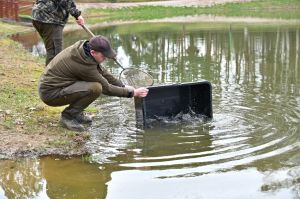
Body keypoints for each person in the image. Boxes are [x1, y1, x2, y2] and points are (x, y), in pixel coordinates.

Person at [38, 35, 149, 132]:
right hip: (51, 94)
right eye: (103, 56)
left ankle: (77, 112)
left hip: (61, 86)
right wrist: (132, 93)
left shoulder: (84, 52)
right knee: (95, 88)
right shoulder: (84, 65)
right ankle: (68, 116)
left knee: (94, 85)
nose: (105, 59)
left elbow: (103, 72)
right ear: (93, 52)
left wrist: (122, 85)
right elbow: (107, 89)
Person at [32, 0, 85, 66]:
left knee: (51, 49)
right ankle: (50, 75)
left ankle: (50, 74)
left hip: (38, 17)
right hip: (50, 19)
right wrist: (77, 15)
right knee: (55, 53)